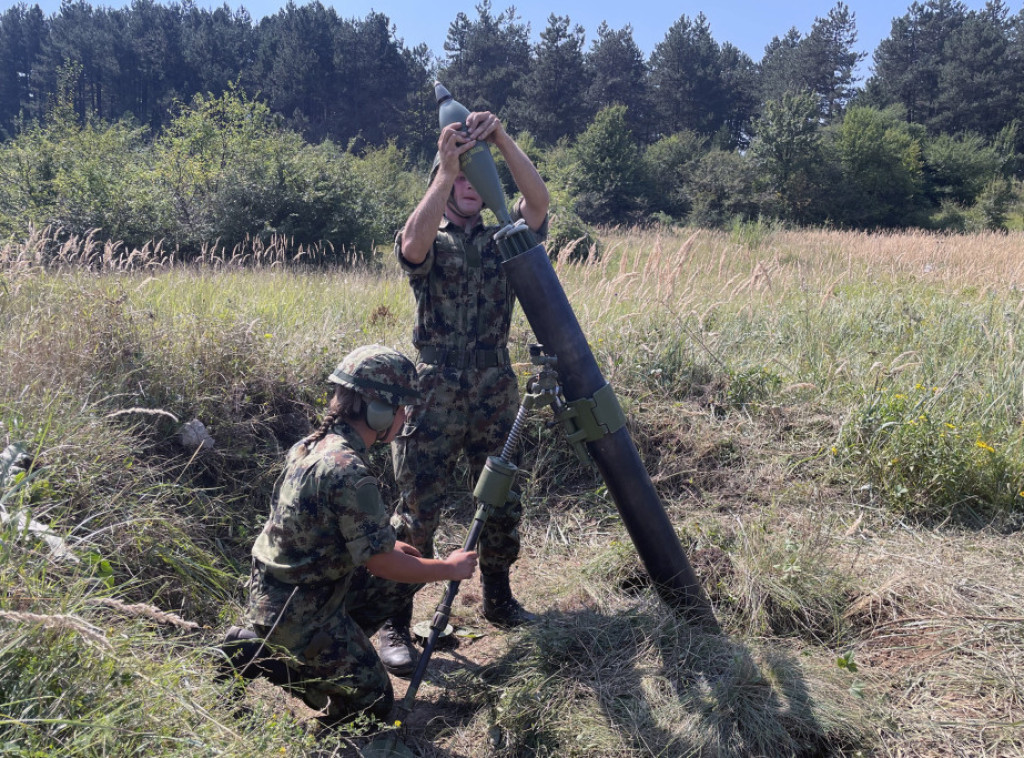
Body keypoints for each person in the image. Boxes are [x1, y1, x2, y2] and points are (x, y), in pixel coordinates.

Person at [218, 345, 478, 725]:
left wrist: (395, 549)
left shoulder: (310, 446)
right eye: (402, 408)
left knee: (402, 577)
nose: (405, 417)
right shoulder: (348, 471)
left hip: (287, 591)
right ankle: (262, 653)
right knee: (373, 706)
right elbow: (383, 564)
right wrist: (449, 568)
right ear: (379, 411)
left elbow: (332, 535)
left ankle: (326, 647)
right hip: (298, 610)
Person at [381, 109, 550, 675]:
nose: (468, 188)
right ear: (443, 181)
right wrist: (444, 168)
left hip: (494, 381)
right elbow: (410, 246)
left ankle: (498, 599)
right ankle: (395, 622)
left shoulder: (508, 230)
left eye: (475, 179)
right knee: (418, 505)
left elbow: (540, 202)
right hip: (433, 385)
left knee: (501, 496)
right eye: (458, 179)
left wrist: (499, 138)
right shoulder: (432, 230)